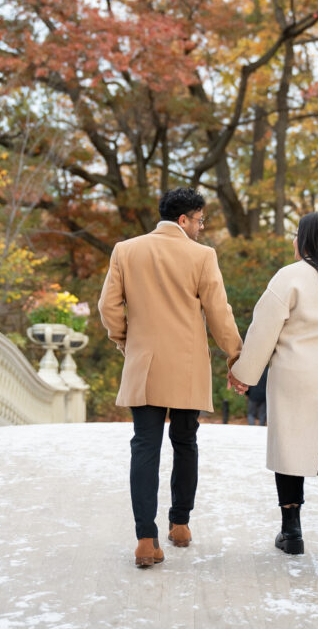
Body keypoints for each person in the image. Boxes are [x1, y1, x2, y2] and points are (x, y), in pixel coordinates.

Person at [98, 187, 242, 568]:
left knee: (145, 446)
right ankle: (180, 524)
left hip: (144, 365)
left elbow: (108, 307)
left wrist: (126, 342)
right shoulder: (202, 256)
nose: (201, 227)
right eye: (199, 220)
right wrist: (236, 355)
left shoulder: (125, 250)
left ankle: (146, 540)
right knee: (185, 443)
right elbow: (219, 312)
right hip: (187, 367)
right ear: (183, 220)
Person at [229, 210, 318, 572]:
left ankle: (291, 531)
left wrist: (244, 374)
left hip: (295, 377)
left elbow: (263, 330)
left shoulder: (289, 277)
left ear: (306, 240)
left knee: (290, 446)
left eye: (297, 234)